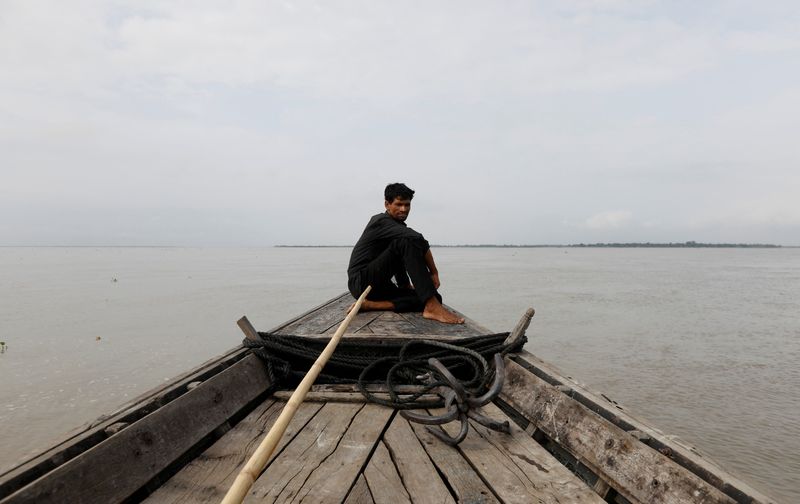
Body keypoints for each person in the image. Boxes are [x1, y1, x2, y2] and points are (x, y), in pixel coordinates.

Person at [347, 183, 464, 324]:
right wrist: (434, 272)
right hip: (361, 283)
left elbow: (396, 258)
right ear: (387, 204)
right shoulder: (380, 221)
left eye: (407, 205)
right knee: (407, 241)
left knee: (434, 297)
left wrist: (405, 285)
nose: (403, 209)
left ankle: (371, 305)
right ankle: (432, 307)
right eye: (399, 204)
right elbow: (417, 239)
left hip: (379, 287)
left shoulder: (397, 228)